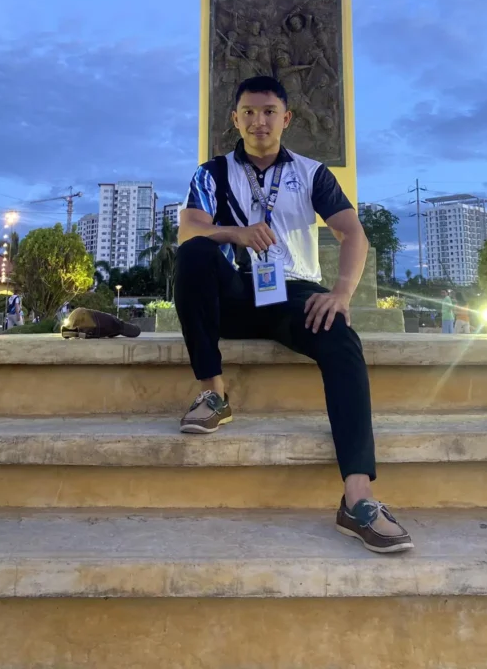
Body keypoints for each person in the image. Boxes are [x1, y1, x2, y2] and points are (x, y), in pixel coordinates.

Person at [174, 75, 414, 555]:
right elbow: (189, 232)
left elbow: (354, 235)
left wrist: (341, 293)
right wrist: (235, 235)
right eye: (248, 111)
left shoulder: (312, 173)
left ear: (286, 118)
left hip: (291, 293)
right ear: (235, 118)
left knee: (341, 336)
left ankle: (358, 499)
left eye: (268, 112)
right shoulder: (210, 173)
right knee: (196, 254)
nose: (258, 120)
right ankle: (214, 394)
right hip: (234, 292)